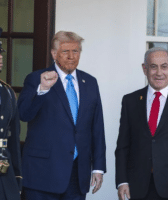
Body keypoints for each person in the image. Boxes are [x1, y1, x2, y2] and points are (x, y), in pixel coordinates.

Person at [18, 31, 106, 200]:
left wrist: (98, 168)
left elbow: (97, 127)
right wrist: (42, 90)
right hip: (42, 174)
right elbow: (24, 114)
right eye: (65, 51)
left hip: (77, 173)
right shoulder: (36, 78)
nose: (71, 56)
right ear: (54, 53)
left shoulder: (90, 82)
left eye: (76, 51)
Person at [115, 47, 168, 200]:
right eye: (153, 67)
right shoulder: (130, 101)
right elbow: (122, 146)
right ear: (144, 69)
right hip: (139, 186)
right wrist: (122, 181)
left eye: (164, 66)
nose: (159, 73)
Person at [0, 27, 22, 200]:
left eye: (0, 52)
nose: (0, 57)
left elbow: (13, 139)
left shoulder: (7, 92)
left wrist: (17, 176)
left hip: (4, 174)